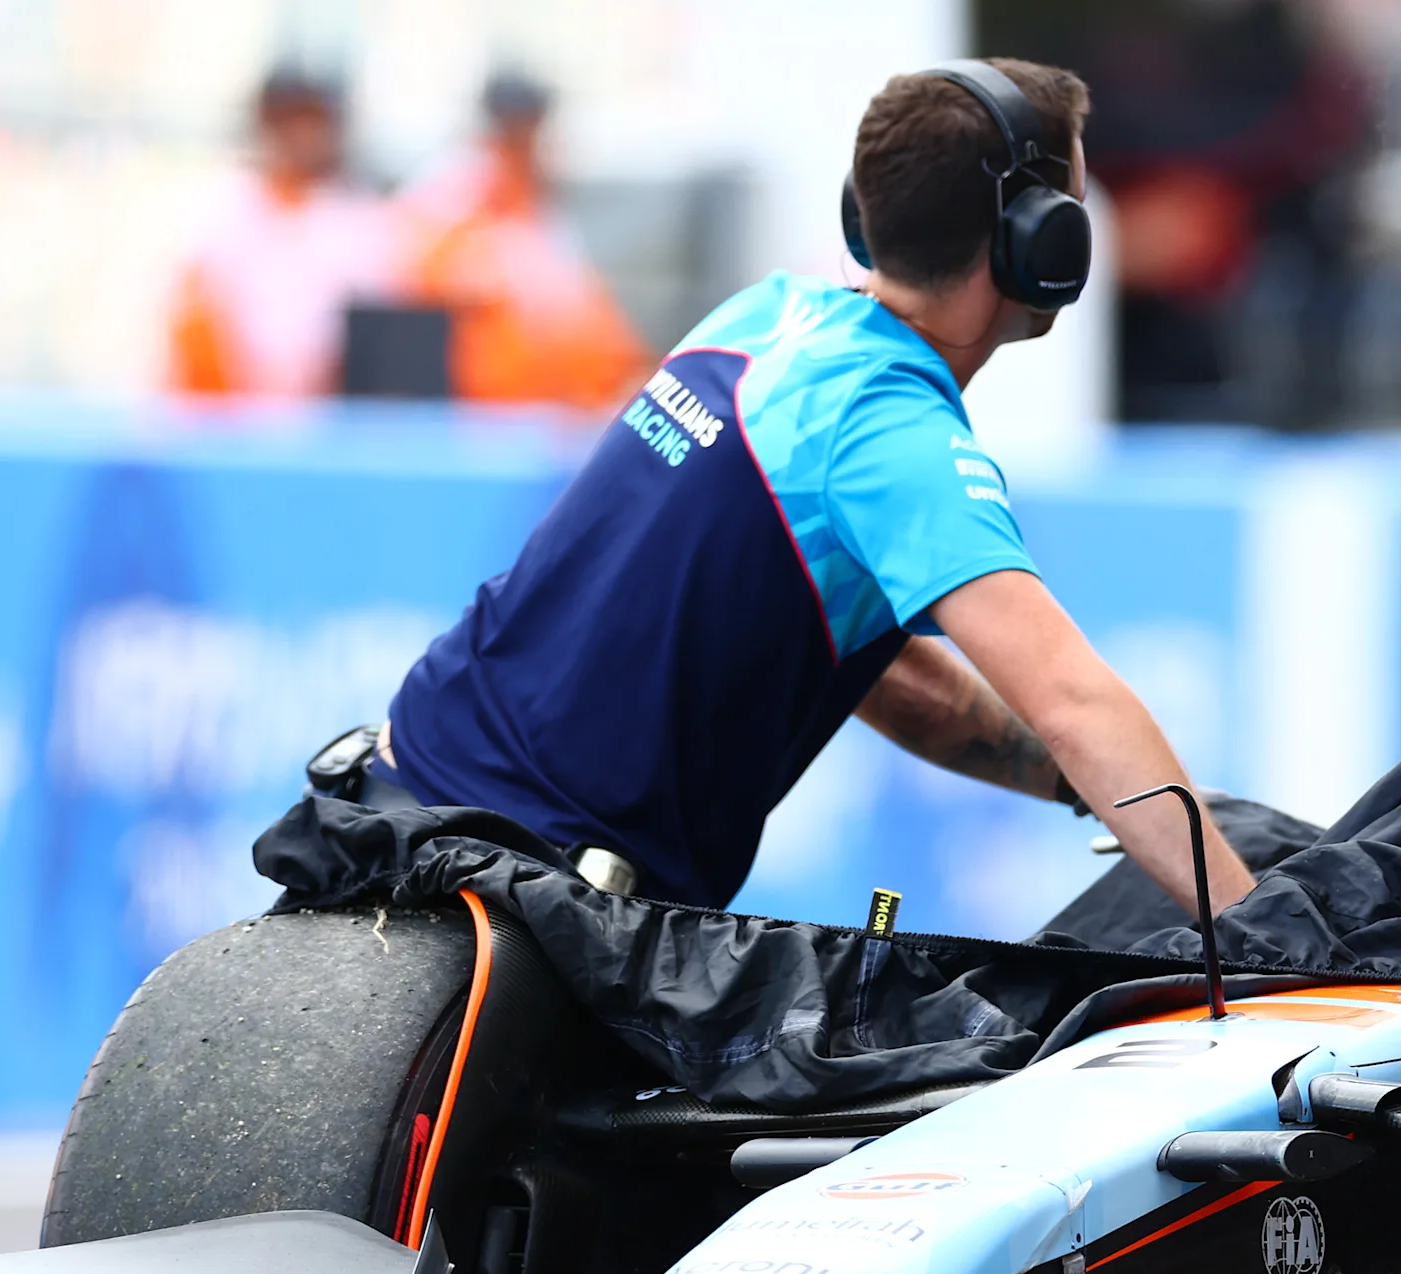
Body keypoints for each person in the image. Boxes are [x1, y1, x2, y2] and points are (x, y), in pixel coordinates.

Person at [371, 56, 1254, 918]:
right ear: (1041, 246)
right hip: (518, 889)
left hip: (402, 795)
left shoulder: (763, 316)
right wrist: (1265, 930)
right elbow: (1072, 703)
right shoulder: (892, 432)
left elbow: (896, 678)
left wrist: (1113, 798)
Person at [398, 72, 650, 410]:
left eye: (530, 128)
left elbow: (587, 316)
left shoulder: (539, 214)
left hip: (557, 412)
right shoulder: (450, 194)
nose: (526, 141)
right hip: (479, 414)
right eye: (514, 128)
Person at [167, 69, 398, 397]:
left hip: (331, 420)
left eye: (313, 121)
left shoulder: (360, 219)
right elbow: (192, 315)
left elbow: (379, 333)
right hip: (226, 415)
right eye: (286, 120)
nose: (301, 135)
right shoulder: (222, 207)